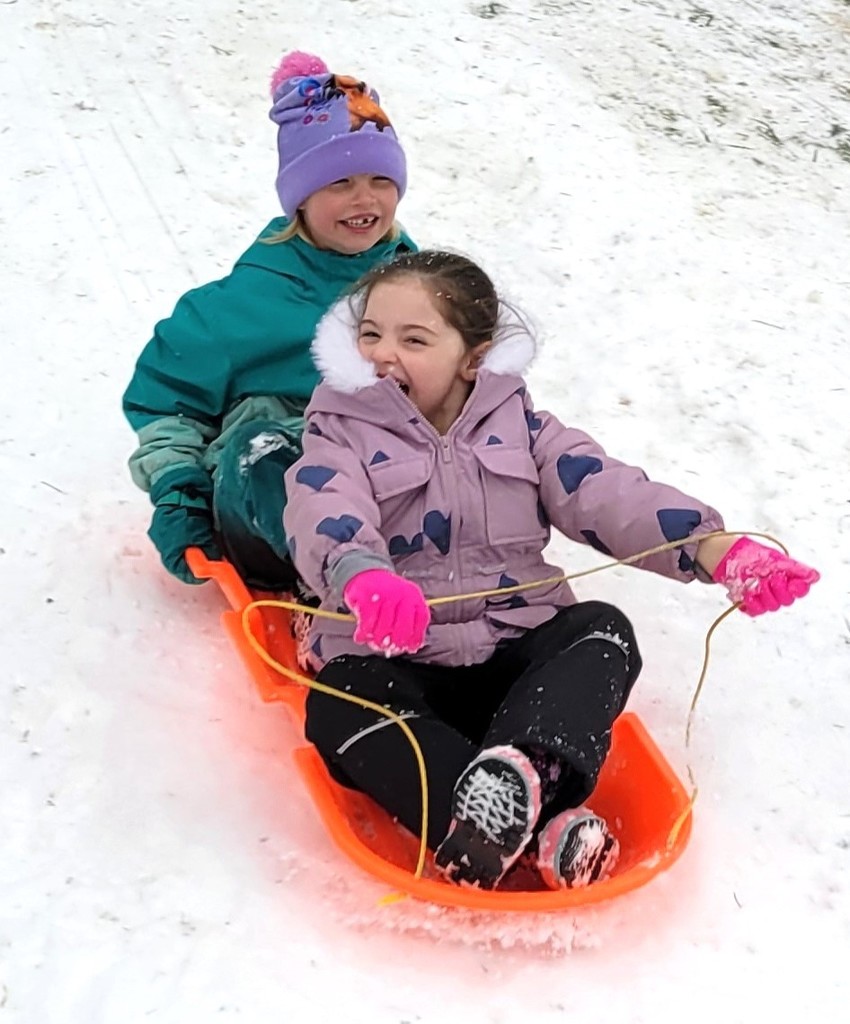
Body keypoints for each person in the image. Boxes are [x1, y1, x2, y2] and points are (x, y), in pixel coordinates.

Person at [282, 251, 819, 891]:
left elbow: (604, 491)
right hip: (395, 652)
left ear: (473, 357)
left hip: (510, 651)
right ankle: (530, 826)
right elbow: (325, 504)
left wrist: (714, 548)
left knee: (601, 631)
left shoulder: (525, 430)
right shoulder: (339, 429)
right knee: (339, 706)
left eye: (413, 339)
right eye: (370, 334)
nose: (381, 354)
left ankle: (523, 771)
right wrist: (362, 575)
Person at [122, 50, 415, 591]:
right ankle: (339, 592)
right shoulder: (233, 308)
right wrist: (179, 490)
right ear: (300, 198)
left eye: (380, 178)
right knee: (265, 449)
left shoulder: (419, 291)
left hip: (392, 498)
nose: (366, 198)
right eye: (340, 182)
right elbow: (167, 404)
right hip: (272, 508)